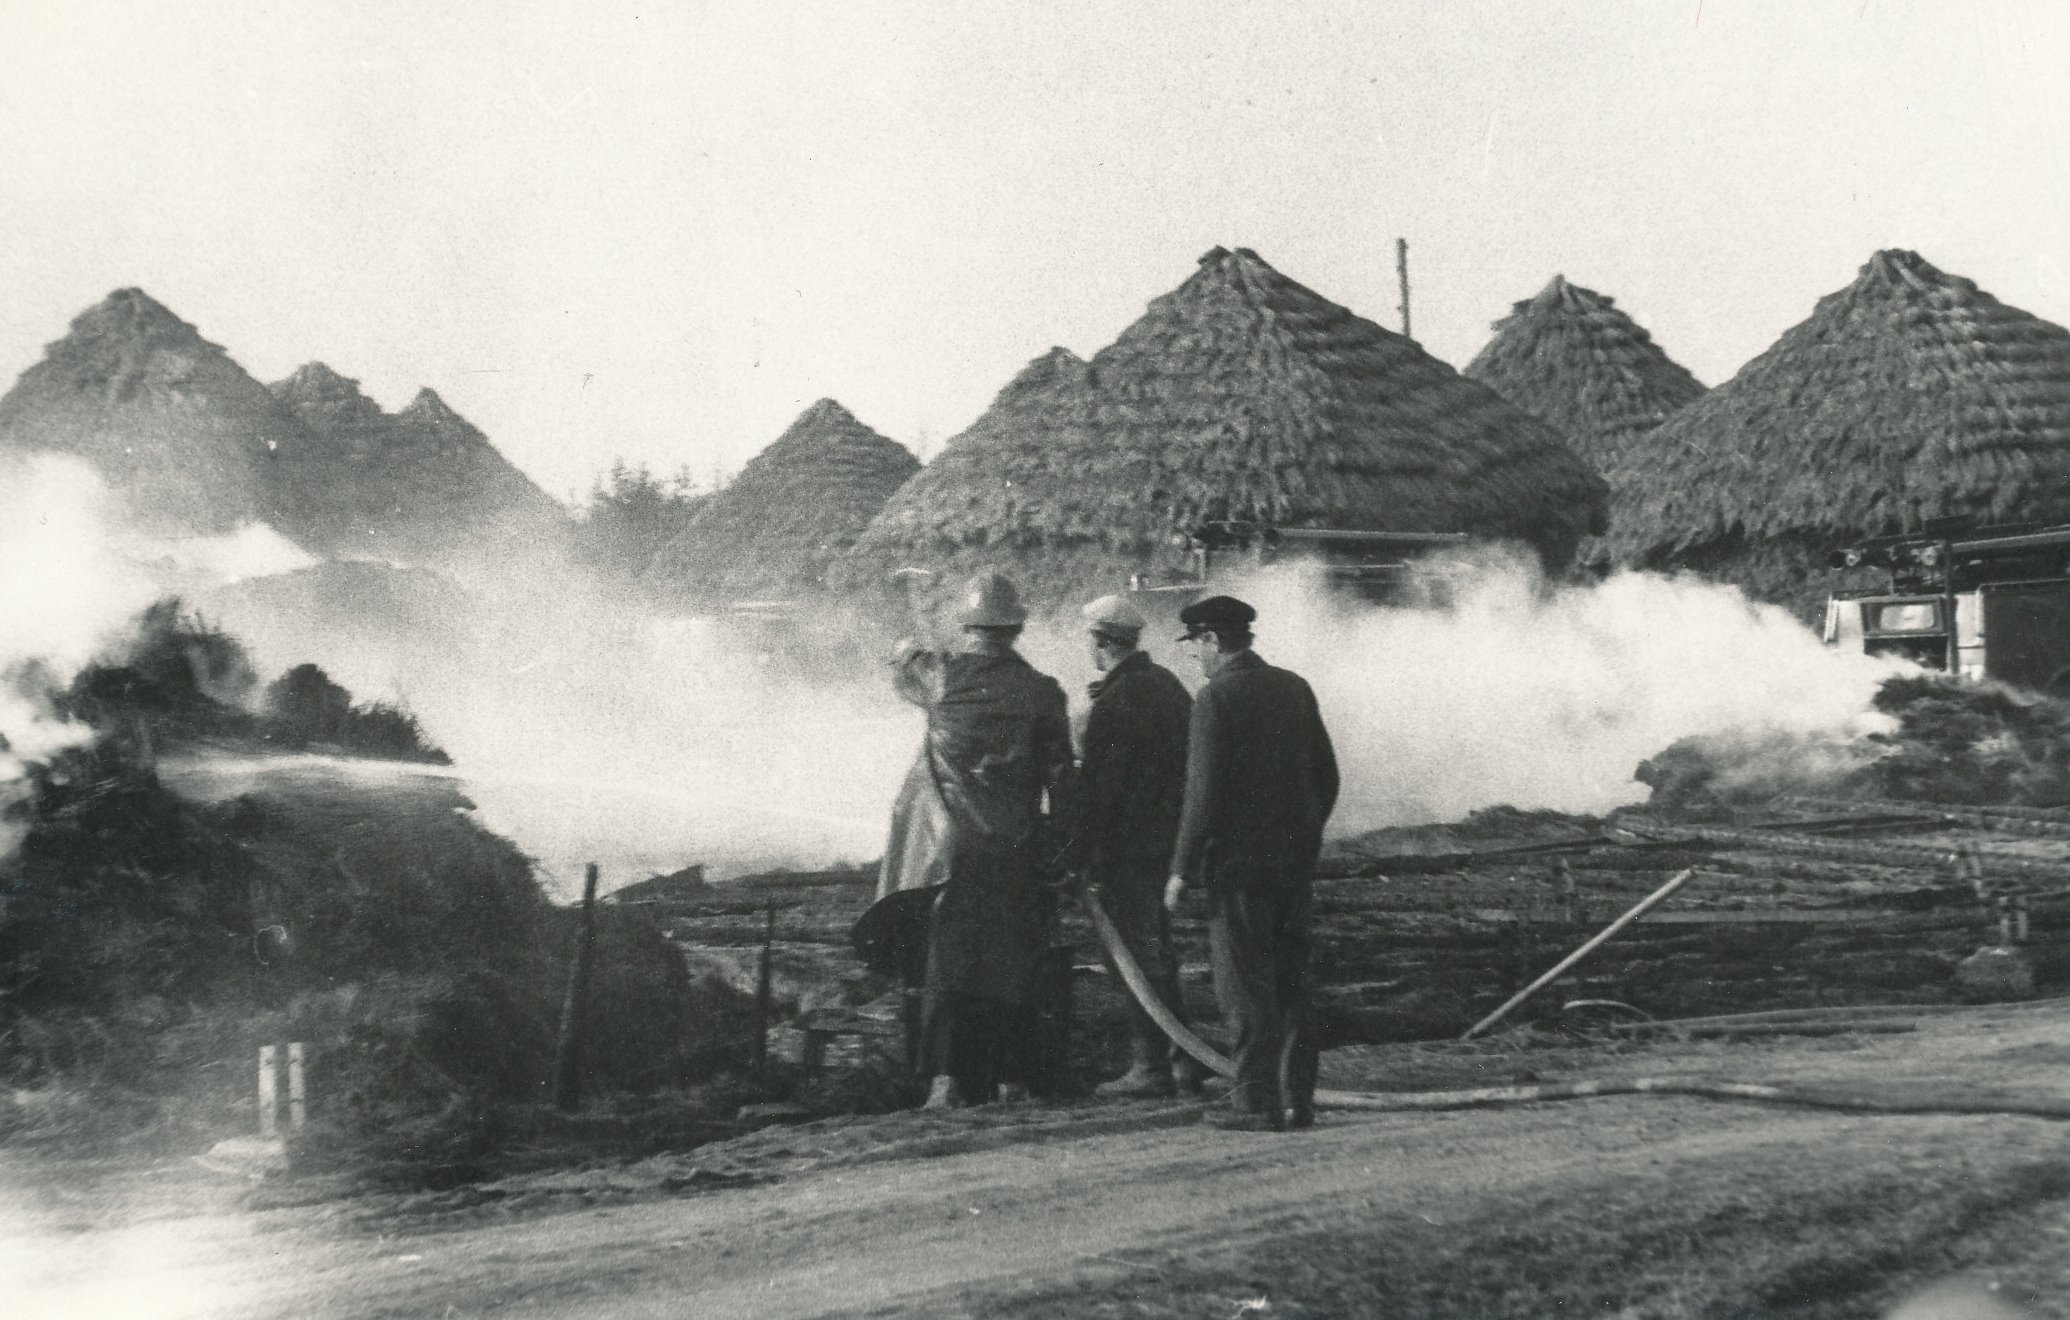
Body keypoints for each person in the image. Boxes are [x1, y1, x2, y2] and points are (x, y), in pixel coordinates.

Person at [871, 569, 1074, 1110]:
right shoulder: (1044, 693)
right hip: (1017, 847)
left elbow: (903, 664)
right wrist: (1063, 849)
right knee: (1015, 961)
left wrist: (913, 610)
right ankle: (1014, 1079)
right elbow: (1062, 780)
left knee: (949, 962)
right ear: (1015, 629)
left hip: (952, 852)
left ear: (968, 626)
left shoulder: (942, 679)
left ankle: (947, 1081)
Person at [1165, 595, 1338, 1132]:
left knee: (1243, 986)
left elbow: (1202, 795)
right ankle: (1296, 1100)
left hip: (1237, 868)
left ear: (1213, 640)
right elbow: (1326, 778)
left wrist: (1180, 868)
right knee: (1291, 981)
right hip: (1292, 864)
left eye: (1196, 645)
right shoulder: (1294, 686)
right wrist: (1304, 837)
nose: (1195, 656)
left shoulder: (1216, 699)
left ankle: (1255, 1103)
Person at [1063, 593, 1199, 1099]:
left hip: (1127, 852)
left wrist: (1077, 852)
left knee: (1134, 956)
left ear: (1099, 642)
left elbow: (1100, 793)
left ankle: (1151, 1067)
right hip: (1165, 847)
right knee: (1158, 949)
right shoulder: (1166, 685)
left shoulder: (1115, 702)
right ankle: (1184, 1059)